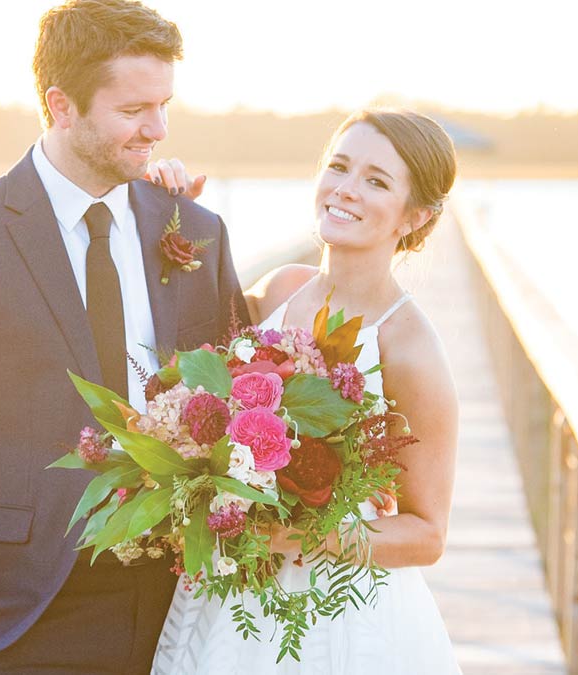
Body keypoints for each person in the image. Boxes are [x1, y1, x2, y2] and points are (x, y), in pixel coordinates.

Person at [0, 1, 248, 672]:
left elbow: (243, 393)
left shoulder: (194, 230)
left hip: (184, 602)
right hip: (25, 611)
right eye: (134, 110)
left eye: (163, 105)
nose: (156, 129)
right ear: (62, 104)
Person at [147, 109, 462, 673]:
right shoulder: (281, 290)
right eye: (338, 167)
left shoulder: (409, 345)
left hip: (334, 608)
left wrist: (292, 534)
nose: (345, 190)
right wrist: (170, 217)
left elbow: (427, 534)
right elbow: (189, 363)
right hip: (231, 595)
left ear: (416, 216)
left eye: (376, 181)